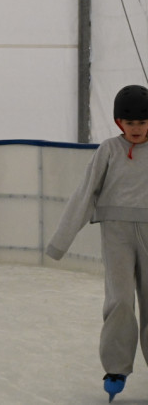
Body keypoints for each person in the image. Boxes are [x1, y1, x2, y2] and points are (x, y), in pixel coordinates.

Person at [47, 85, 148, 402]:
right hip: (116, 235)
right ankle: (116, 367)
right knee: (119, 301)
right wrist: (60, 242)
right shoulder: (108, 150)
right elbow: (84, 194)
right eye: (130, 123)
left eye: (142, 122)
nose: (136, 129)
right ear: (119, 123)